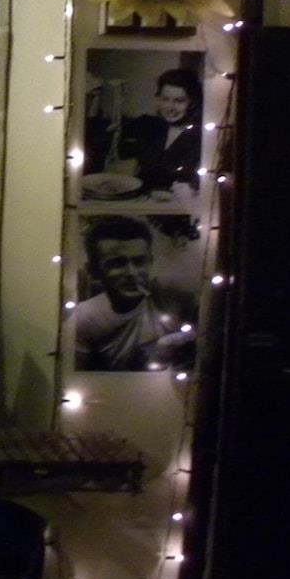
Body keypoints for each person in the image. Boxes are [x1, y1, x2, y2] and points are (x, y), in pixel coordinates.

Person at [72, 217, 195, 371]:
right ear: (93, 270)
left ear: (150, 261)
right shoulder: (84, 318)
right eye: (117, 263)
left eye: (139, 261)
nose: (132, 273)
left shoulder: (170, 297)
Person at [117, 68, 202, 201]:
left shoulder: (201, 138)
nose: (170, 107)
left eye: (179, 101)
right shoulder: (148, 124)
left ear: (192, 102)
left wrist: (193, 192)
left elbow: (201, 185)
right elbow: (115, 145)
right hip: (138, 201)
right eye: (165, 99)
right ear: (158, 99)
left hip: (174, 206)